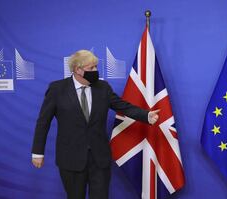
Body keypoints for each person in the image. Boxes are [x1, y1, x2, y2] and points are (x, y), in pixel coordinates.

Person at [31, 50, 159, 199]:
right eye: (91, 68)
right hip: (71, 159)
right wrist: (38, 152)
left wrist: (146, 115)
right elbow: (43, 122)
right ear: (78, 70)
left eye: (96, 67)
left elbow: (123, 106)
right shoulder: (57, 89)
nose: (95, 71)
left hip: (99, 159)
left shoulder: (103, 87)